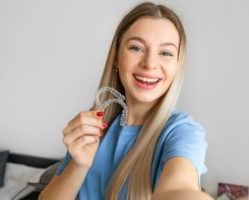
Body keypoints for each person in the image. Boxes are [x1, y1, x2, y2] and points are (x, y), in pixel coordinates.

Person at [39, 2, 210, 200]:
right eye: (136, 48)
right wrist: (79, 165)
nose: (149, 64)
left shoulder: (183, 131)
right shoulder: (94, 125)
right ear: (116, 58)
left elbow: (177, 190)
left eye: (165, 53)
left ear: (178, 65)